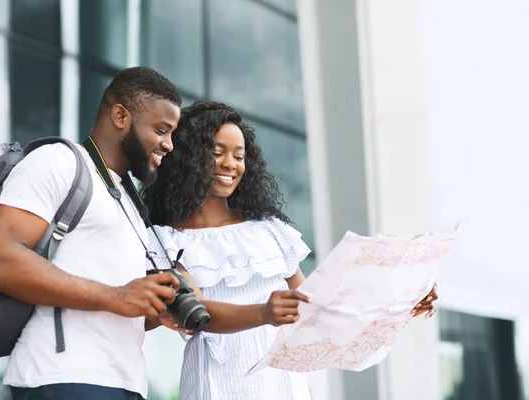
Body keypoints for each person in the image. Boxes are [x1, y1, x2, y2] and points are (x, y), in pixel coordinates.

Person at [142, 101, 439, 400]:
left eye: (239, 155)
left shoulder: (268, 230)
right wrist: (264, 312)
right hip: (216, 385)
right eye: (217, 153)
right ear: (188, 158)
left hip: (283, 386)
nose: (230, 163)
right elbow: (199, 312)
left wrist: (400, 301)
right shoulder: (167, 241)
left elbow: (317, 310)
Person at [0, 67, 184, 400]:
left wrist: (153, 311)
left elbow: (111, 303)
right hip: (63, 377)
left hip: (125, 383)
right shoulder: (58, 161)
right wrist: (116, 296)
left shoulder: (128, 200)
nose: (169, 145)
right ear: (120, 116)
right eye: (161, 130)